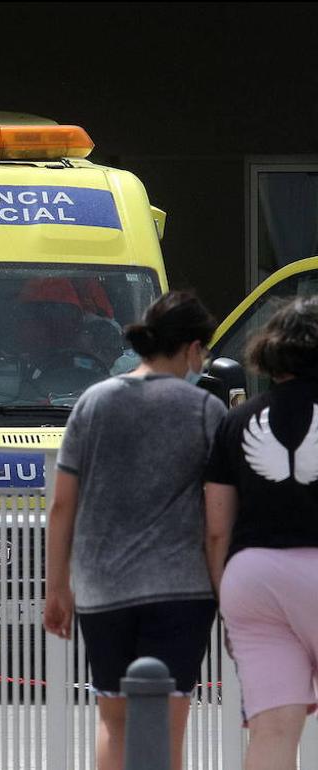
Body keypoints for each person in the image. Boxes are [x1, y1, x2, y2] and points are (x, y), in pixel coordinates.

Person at [44, 290, 226, 770]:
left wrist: (57, 588)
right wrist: (223, 592)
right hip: (181, 590)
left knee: (114, 721)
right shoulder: (206, 411)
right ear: (192, 348)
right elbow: (215, 521)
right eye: (202, 351)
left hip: (102, 587)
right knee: (168, 724)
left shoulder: (93, 402)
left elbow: (62, 504)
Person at [205, 297, 318, 770]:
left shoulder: (236, 421)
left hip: (251, 580)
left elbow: (215, 529)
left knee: (272, 731)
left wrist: (224, 599)